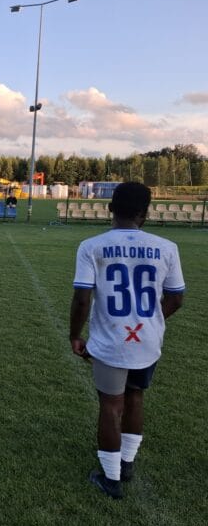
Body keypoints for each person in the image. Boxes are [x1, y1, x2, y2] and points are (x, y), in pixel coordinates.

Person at [69, 182, 185, 500]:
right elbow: (176, 300)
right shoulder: (166, 246)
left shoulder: (92, 246)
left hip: (110, 340)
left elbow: (82, 299)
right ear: (145, 212)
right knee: (135, 398)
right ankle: (127, 462)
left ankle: (111, 478)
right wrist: (148, 321)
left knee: (110, 406)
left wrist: (74, 336)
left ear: (109, 208)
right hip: (147, 341)